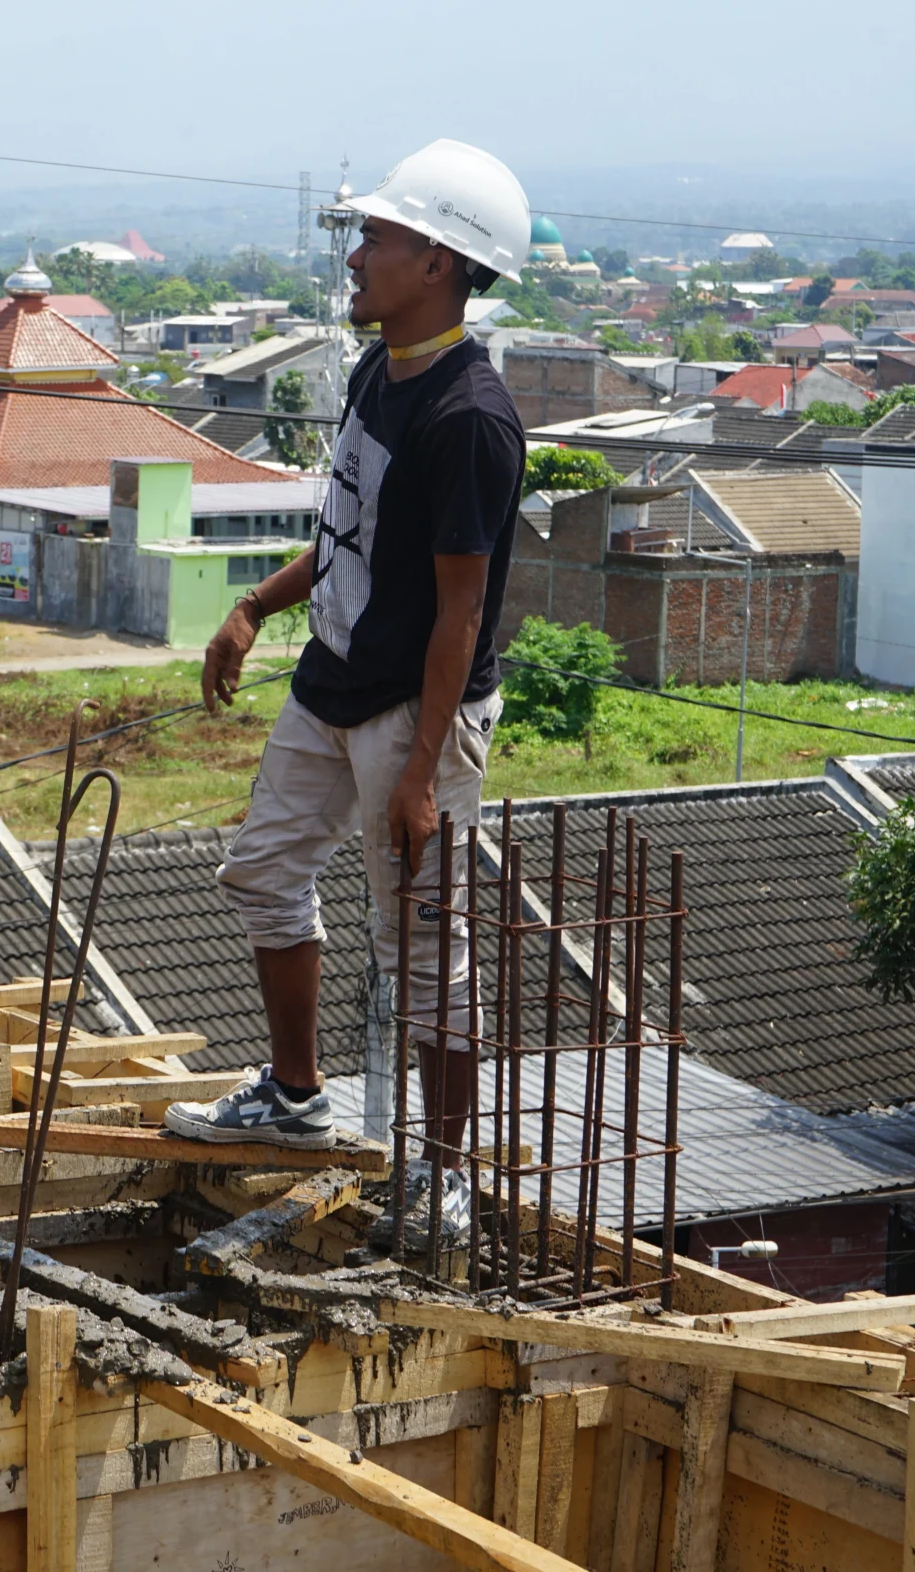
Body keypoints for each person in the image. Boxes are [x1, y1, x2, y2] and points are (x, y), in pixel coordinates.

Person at [164, 140, 532, 1247]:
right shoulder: (381, 369)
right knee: (264, 869)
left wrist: (422, 772)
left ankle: (447, 1175)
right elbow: (348, 533)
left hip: (413, 714)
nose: (358, 254)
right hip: (333, 685)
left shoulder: (469, 416)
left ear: (439, 260)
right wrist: (257, 606)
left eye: (378, 237)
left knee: (421, 945)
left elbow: (461, 613)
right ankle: (293, 1094)